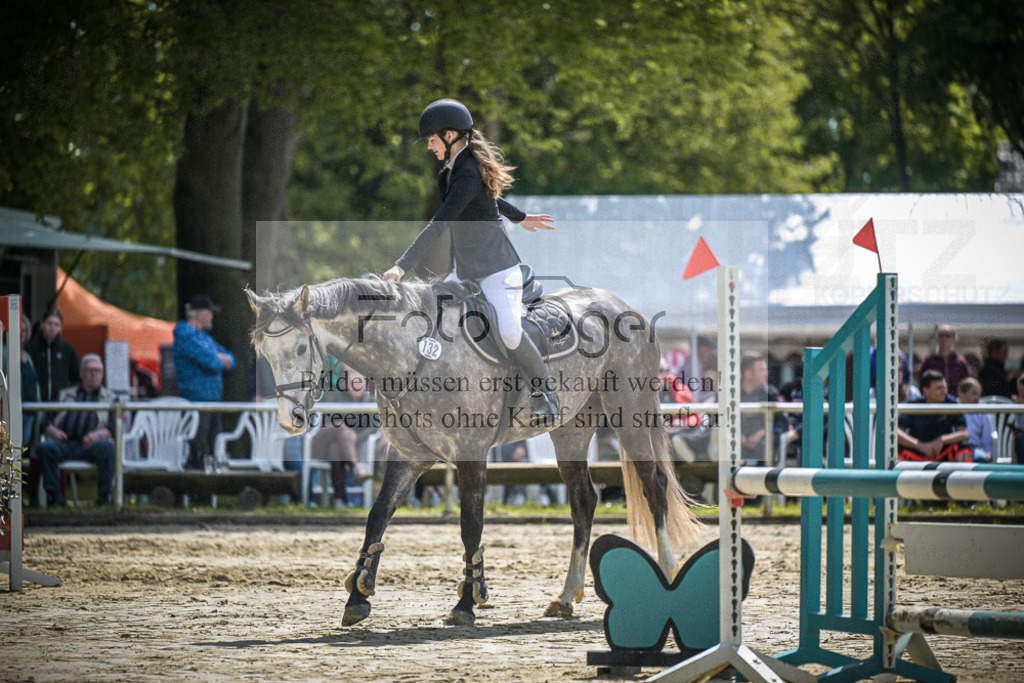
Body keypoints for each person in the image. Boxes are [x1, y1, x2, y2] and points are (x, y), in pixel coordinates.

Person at [381, 98, 558, 425]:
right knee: (429, 314)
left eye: (432, 140)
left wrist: (401, 266)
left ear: (449, 135)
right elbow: (488, 197)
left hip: (497, 272)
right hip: (464, 271)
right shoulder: (453, 171)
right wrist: (520, 217)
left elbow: (442, 222)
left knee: (509, 334)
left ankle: (545, 393)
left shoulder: (467, 170)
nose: (430, 147)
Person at [37, 353, 116, 506]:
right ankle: (55, 498)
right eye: (90, 370)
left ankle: (104, 498)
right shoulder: (65, 394)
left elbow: (114, 426)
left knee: (108, 447)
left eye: (98, 370)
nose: (94, 374)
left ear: (102, 373)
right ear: (81, 373)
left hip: (92, 445)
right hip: (65, 443)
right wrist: (53, 431)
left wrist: (97, 435)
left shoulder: (110, 398)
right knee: (45, 448)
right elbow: (45, 419)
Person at [173, 294, 235, 469]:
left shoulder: (204, 338)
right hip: (197, 401)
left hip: (212, 401)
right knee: (198, 448)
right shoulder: (186, 335)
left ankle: (209, 492)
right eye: (209, 312)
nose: (212, 316)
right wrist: (219, 358)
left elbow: (231, 360)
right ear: (199, 314)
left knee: (213, 448)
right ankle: (195, 491)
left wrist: (220, 358)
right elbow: (213, 362)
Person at [897, 370, 970, 462]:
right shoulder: (914, 405)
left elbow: (964, 434)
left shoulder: (952, 403)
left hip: (944, 453)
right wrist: (920, 445)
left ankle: (963, 476)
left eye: (944, 387)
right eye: (939, 388)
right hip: (917, 454)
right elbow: (897, 432)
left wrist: (942, 440)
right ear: (925, 390)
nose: (944, 391)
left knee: (965, 449)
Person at [739, 354, 795, 466]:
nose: (766, 373)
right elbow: (715, 420)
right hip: (736, 444)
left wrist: (762, 432)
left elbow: (783, 423)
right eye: (761, 370)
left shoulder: (770, 393)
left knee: (767, 443)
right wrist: (736, 435)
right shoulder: (730, 394)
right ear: (748, 374)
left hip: (763, 446)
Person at [25, 309, 80, 402]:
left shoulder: (68, 349)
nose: (52, 328)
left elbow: (76, 377)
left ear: (60, 328)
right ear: (42, 325)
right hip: (36, 402)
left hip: (61, 403)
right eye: (49, 323)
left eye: (56, 324)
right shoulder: (31, 348)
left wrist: (70, 398)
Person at [918, 325, 971, 398]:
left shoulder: (960, 362)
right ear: (937, 338)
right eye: (941, 335)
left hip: (956, 403)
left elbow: (967, 384)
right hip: (934, 402)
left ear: (954, 339)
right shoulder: (929, 361)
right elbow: (922, 383)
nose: (944, 338)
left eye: (947, 335)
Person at [956, 377, 993, 463]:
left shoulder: (982, 410)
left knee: (981, 459)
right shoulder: (952, 407)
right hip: (956, 447)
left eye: (979, 394)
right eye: (973, 394)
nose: (977, 398)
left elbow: (987, 436)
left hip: (976, 448)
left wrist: (988, 452)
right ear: (961, 394)